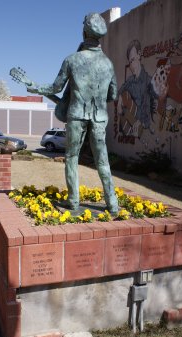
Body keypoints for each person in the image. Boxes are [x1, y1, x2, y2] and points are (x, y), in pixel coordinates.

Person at [26, 13, 118, 213]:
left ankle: (74, 200)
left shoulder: (72, 60)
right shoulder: (108, 64)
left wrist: (35, 88)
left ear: (84, 32)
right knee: (102, 160)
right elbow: (113, 94)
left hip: (76, 115)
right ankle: (112, 203)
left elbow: (55, 88)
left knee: (71, 157)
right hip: (100, 118)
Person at [117, 39, 157, 136]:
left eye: (133, 60)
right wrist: (120, 99)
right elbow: (119, 91)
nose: (131, 65)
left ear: (139, 55)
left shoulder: (148, 81)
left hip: (141, 128)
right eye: (129, 62)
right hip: (128, 127)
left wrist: (141, 122)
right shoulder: (130, 81)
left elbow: (147, 106)